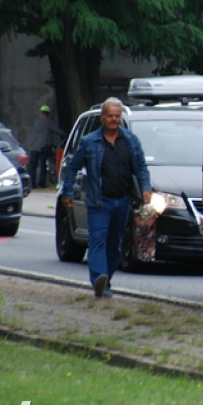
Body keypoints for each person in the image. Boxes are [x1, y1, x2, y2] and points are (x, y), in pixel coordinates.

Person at [59, 98, 152, 297]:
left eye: (117, 116)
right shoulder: (89, 142)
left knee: (114, 244)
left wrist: (145, 188)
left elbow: (141, 167)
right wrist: (67, 192)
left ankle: (106, 280)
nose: (114, 119)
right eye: (110, 116)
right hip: (98, 201)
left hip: (122, 200)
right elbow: (72, 167)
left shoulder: (131, 141)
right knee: (97, 240)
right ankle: (98, 277)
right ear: (102, 118)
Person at [29, 105, 65, 189]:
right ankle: (41, 184)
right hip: (43, 147)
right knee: (43, 166)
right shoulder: (49, 122)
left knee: (33, 167)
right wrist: (66, 134)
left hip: (33, 147)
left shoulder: (36, 122)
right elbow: (59, 132)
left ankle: (32, 184)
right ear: (48, 113)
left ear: (41, 113)